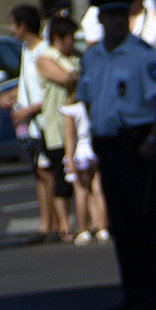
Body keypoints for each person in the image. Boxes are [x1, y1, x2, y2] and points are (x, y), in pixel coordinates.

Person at [77, 0, 156, 310]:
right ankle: (132, 291)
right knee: (121, 222)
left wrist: (153, 140)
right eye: (111, 15)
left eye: (123, 14)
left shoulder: (143, 54)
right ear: (101, 18)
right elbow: (88, 101)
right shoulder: (92, 57)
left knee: (148, 220)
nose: (118, 21)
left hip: (139, 145)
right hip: (109, 147)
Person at [0, 3, 59, 240]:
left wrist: (29, 110)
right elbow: (30, 84)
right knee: (39, 172)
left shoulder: (44, 51)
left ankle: (56, 223)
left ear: (23, 25)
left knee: (48, 172)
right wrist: (13, 95)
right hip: (31, 126)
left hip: (45, 122)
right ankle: (46, 223)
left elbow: (51, 92)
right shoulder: (27, 50)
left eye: (13, 24)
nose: (12, 29)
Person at [34, 14, 83, 240]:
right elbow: (66, 79)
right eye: (70, 38)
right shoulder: (46, 57)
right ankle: (64, 224)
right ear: (57, 37)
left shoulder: (75, 57)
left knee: (83, 176)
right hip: (57, 127)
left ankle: (89, 223)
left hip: (80, 126)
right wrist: (79, 75)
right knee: (62, 177)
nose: (73, 42)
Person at [61, 94, 110, 245]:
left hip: (80, 150)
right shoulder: (93, 104)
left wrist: (69, 158)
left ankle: (83, 230)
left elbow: (70, 136)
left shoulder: (71, 109)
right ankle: (102, 228)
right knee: (98, 189)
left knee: (81, 192)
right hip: (94, 148)